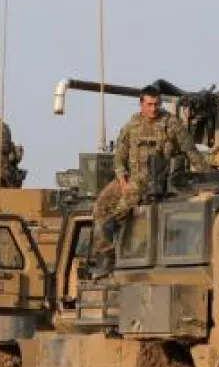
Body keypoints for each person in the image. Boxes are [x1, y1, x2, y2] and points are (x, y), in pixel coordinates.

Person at [89, 85, 209, 276]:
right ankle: (105, 253)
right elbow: (119, 155)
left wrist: (206, 176)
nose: (154, 108)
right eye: (149, 104)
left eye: (157, 104)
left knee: (115, 216)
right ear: (141, 104)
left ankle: (111, 259)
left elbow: (191, 151)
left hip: (152, 181)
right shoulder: (132, 124)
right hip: (129, 178)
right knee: (99, 208)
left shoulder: (171, 124)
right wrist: (121, 177)